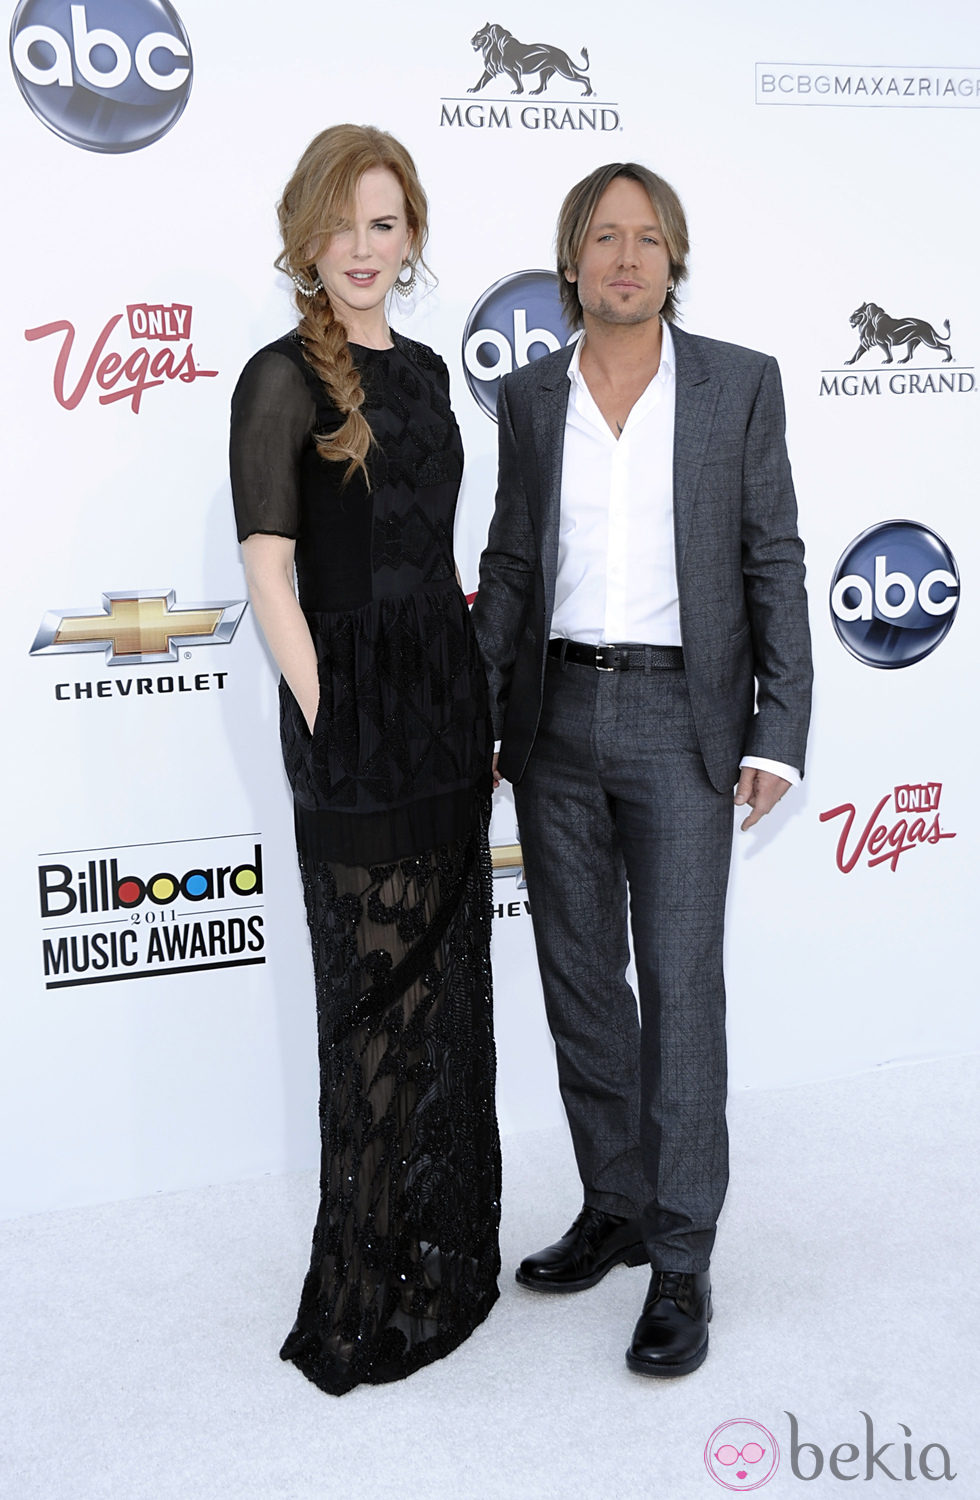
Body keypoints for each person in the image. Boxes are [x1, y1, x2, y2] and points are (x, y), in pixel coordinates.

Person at [471, 162, 812, 1377]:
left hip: (683, 724)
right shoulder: (523, 399)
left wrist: (779, 726)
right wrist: (476, 713)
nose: (625, 258)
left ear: (673, 260)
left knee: (677, 993)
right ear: (570, 261)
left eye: (647, 239)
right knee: (577, 981)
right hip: (553, 718)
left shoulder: (735, 386)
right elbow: (510, 565)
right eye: (603, 238)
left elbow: (771, 557)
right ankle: (613, 1203)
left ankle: (680, 1255)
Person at [229, 125, 500, 1397]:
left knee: (445, 992)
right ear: (306, 232)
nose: (361, 249)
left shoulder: (435, 371)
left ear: (412, 237)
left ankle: (439, 1259)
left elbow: (435, 554)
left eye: (384, 224)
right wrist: (328, 708)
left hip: (440, 702)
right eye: (341, 224)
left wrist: (462, 690)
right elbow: (267, 573)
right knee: (372, 1016)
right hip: (351, 712)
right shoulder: (278, 376)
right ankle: (359, 1281)